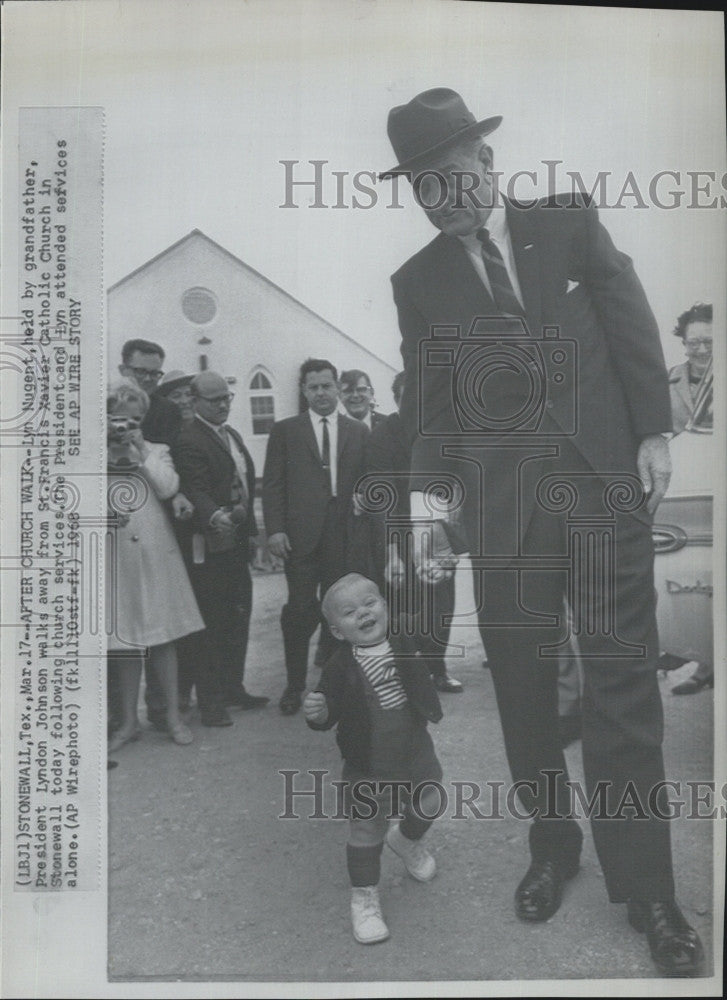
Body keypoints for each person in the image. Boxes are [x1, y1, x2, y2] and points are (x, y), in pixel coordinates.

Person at [379, 88, 703, 975]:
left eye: (453, 177)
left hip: (602, 496)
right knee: (523, 697)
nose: (446, 199)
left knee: (623, 697)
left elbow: (630, 321)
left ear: (486, 163)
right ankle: (552, 846)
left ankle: (649, 889)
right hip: (506, 517)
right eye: (424, 189)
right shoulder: (418, 284)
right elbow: (429, 410)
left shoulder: (566, 224)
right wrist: (424, 507)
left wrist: (650, 430)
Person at [304, 573, 443, 944]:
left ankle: (406, 839)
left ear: (384, 606)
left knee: (431, 800)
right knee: (367, 830)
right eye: (350, 612)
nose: (363, 613)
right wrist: (318, 712)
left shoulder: (404, 638)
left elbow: (432, 636)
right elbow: (327, 710)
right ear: (337, 631)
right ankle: (363, 898)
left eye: (370, 603)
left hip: (415, 749)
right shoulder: (338, 665)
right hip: (368, 764)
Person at [262, 359, 368, 715]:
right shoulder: (286, 431)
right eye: (314, 387)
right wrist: (275, 529)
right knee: (299, 611)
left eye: (327, 385)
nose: (321, 393)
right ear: (304, 391)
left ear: (337, 387)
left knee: (341, 612)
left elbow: (368, 481)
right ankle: (294, 686)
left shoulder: (357, 431)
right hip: (301, 537)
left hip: (344, 536)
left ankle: (336, 687)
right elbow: (273, 483)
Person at [106, 380, 201, 750]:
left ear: (142, 419)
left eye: (132, 420)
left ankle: (174, 717)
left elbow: (166, 487)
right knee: (125, 638)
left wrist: (140, 448)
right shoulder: (93, 451)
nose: (123, 427)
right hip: (116, 551)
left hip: (153, 549)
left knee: (163, 637)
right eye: (117, 420)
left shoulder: (157, 450)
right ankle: (129, 722)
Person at [174, 371, 269, 727]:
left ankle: (233, 688)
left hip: (236, 543)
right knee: (212, 624)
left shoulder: (231, 434)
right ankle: (211, 701)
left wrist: (253, 534)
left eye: (226, 398)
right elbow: (195, 488)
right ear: (195, 401)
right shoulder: (189, 439)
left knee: (238, 617)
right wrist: (214, 515)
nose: (223, 405)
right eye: (214, 400)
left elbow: (245, 484)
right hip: (210, 547)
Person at [366, 370, 463, 693]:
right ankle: (407, 672)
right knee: (405, 606)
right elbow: (383, 496)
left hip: (438, 533)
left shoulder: (441, 432)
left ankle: (437, 668)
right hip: (402, 533)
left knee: (442, 605)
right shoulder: (383, 435)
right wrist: (392, 550)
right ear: (397, 400)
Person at [668, 302, 713, 435]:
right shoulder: (666, 381)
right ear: (684, 344)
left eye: (709, 342)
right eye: (694, 343)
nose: (702, 350)